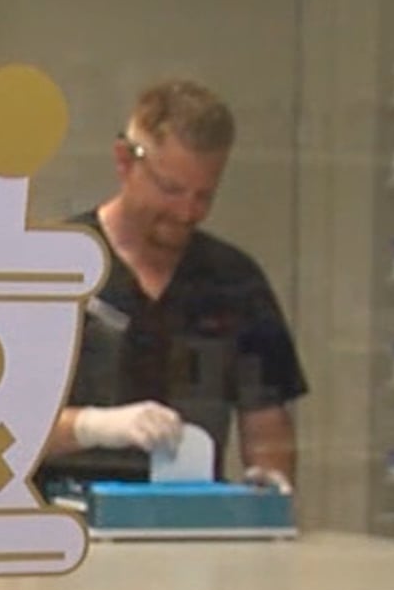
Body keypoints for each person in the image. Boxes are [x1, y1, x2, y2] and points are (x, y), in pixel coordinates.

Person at [38, 78, 307, 493]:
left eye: (203, 196)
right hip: (67, 519)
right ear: (125, 162)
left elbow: (266, 423)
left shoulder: (235, 282)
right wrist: (91, 427)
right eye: (171, 190)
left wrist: (270, 491)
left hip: (191, 517)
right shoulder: (51, 268)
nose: (186, 212)